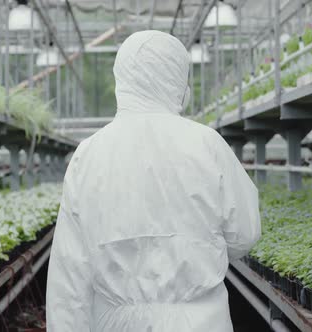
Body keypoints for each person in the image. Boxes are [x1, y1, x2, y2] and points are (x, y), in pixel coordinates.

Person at [46, 30, 261, 332]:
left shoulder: (89, 154)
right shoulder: (207, 144)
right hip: (200, 321)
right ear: (176, 80)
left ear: (123, 78)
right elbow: (245, 233)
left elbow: (69, 274)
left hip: (115, 322)